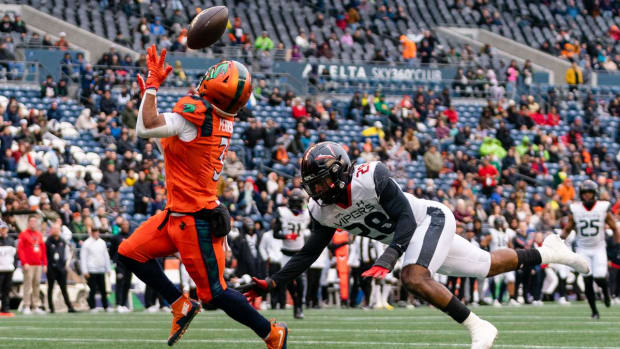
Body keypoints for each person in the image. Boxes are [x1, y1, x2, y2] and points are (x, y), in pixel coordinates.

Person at [242, 141, 591, 349]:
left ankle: (478, 326)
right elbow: (308, 252)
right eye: (312, 185)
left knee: (413, 275)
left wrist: (391, 254)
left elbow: (406, 218)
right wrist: (274, 281)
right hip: (411, 234)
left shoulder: (370, 177)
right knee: (486, 266)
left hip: (429, 220)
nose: (317, 191)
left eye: (321, 182)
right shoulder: (322, 210)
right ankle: (549, 252)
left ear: (341, 172)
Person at [116, 45, 288, 347]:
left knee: (215, 294)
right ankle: (179, 304)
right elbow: (170, 146)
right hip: (177, 214)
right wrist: (148, 99)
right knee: (129, 252)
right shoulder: (217, 119)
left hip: (195, 221)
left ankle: (273, 334)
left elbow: (144, 128)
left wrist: (153, 89)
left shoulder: (196, 113)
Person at [561, 180, 620, 319]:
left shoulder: (602, 208)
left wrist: (617, 247)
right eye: (584, 193)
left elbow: (614, 228)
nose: (587, 196)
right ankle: (594, 311)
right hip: (583, 248)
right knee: (587, 279)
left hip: (599, 248)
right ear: (581, 195)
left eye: (589, 193)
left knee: (599, 276)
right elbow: (568, 228)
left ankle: (605, 291)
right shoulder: (576, 209)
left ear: (595, 194)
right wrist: (558, 238)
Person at [272, 189, 310, 319]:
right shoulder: (283, 213)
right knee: (287, 282)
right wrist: (286, 235)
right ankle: (296, 303)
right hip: (286, 254)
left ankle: (298, 306)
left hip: (299, 253)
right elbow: (275, 233)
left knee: (300, 282)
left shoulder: (306, 215)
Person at [17, 215, 47, 315]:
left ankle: (35, 305)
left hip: (38, 264)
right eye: (31, 221)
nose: (33, 223)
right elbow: (20, 249)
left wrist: (45, 263)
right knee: (27, 285)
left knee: (37, 285)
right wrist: (24, 262)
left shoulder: (39, 234)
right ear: (28, 223)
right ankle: (26, 305)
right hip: (28, 264)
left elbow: (43, 249)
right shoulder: (23, 234)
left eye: (35, 221)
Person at [45, 221, 75, 313]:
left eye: (58, 229)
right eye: (54, 229)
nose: (56, 231)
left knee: (64, 288)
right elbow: (45, 255)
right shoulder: (48, 241)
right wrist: (46, 266)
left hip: (61, 268)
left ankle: (69, 307)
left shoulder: (62, 241)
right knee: (50, 288)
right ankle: (51, 308)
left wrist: (66, 264)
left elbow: (67, 253)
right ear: (51, 230)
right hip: (51, 267)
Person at [81, 228, 111, 312]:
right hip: (91, 270)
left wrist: (108, 268)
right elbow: (83, 258)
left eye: (96, 232)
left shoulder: (102, 243)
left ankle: (106, 306)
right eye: (94, 232)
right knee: (93, 290)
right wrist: (85, 271)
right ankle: (92, 307)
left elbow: (106, 256)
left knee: (103, 290)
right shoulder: (87, 243)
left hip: (101, 270)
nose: (95, 233)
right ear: (91, 233)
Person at [110, 220, 133, 313]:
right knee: (120, 283)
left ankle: (124, 304)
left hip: (130, 264)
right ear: (121, 226)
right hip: (120, 265)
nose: (125, 226)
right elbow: (111, 251)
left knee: (127, 284)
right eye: (123, 225)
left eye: (126, 224)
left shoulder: (132, 236)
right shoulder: (116, 237)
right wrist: (114, 261)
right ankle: (118, 304)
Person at [0, 221, 16, 316]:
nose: (2, 231)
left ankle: (5, 309)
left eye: (4, 229)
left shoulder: (11, 241)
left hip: (9, 269)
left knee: (6, 290)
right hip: (0, 270)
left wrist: (14, 266)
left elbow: (15, 256)